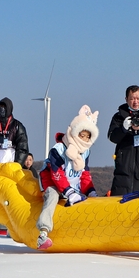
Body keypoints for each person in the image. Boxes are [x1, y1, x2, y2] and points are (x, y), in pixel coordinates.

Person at [35, 106, 100, 251]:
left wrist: (90, 191)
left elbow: (84, 174)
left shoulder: (85, 153)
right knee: (52, 196)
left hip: (72, 185)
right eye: (81, 135)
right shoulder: (58, 150)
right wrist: (68, 191)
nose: (84, 139)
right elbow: (56, 174)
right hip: (52, 183)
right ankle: (43, 233)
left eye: (87, 136)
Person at [108, 85, 139, 196]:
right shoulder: (118, 117)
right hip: (123, 174)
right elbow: (112, 137)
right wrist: (123, 129)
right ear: (126, 99)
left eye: (138, 98)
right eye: (132, 98)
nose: (135, 102)